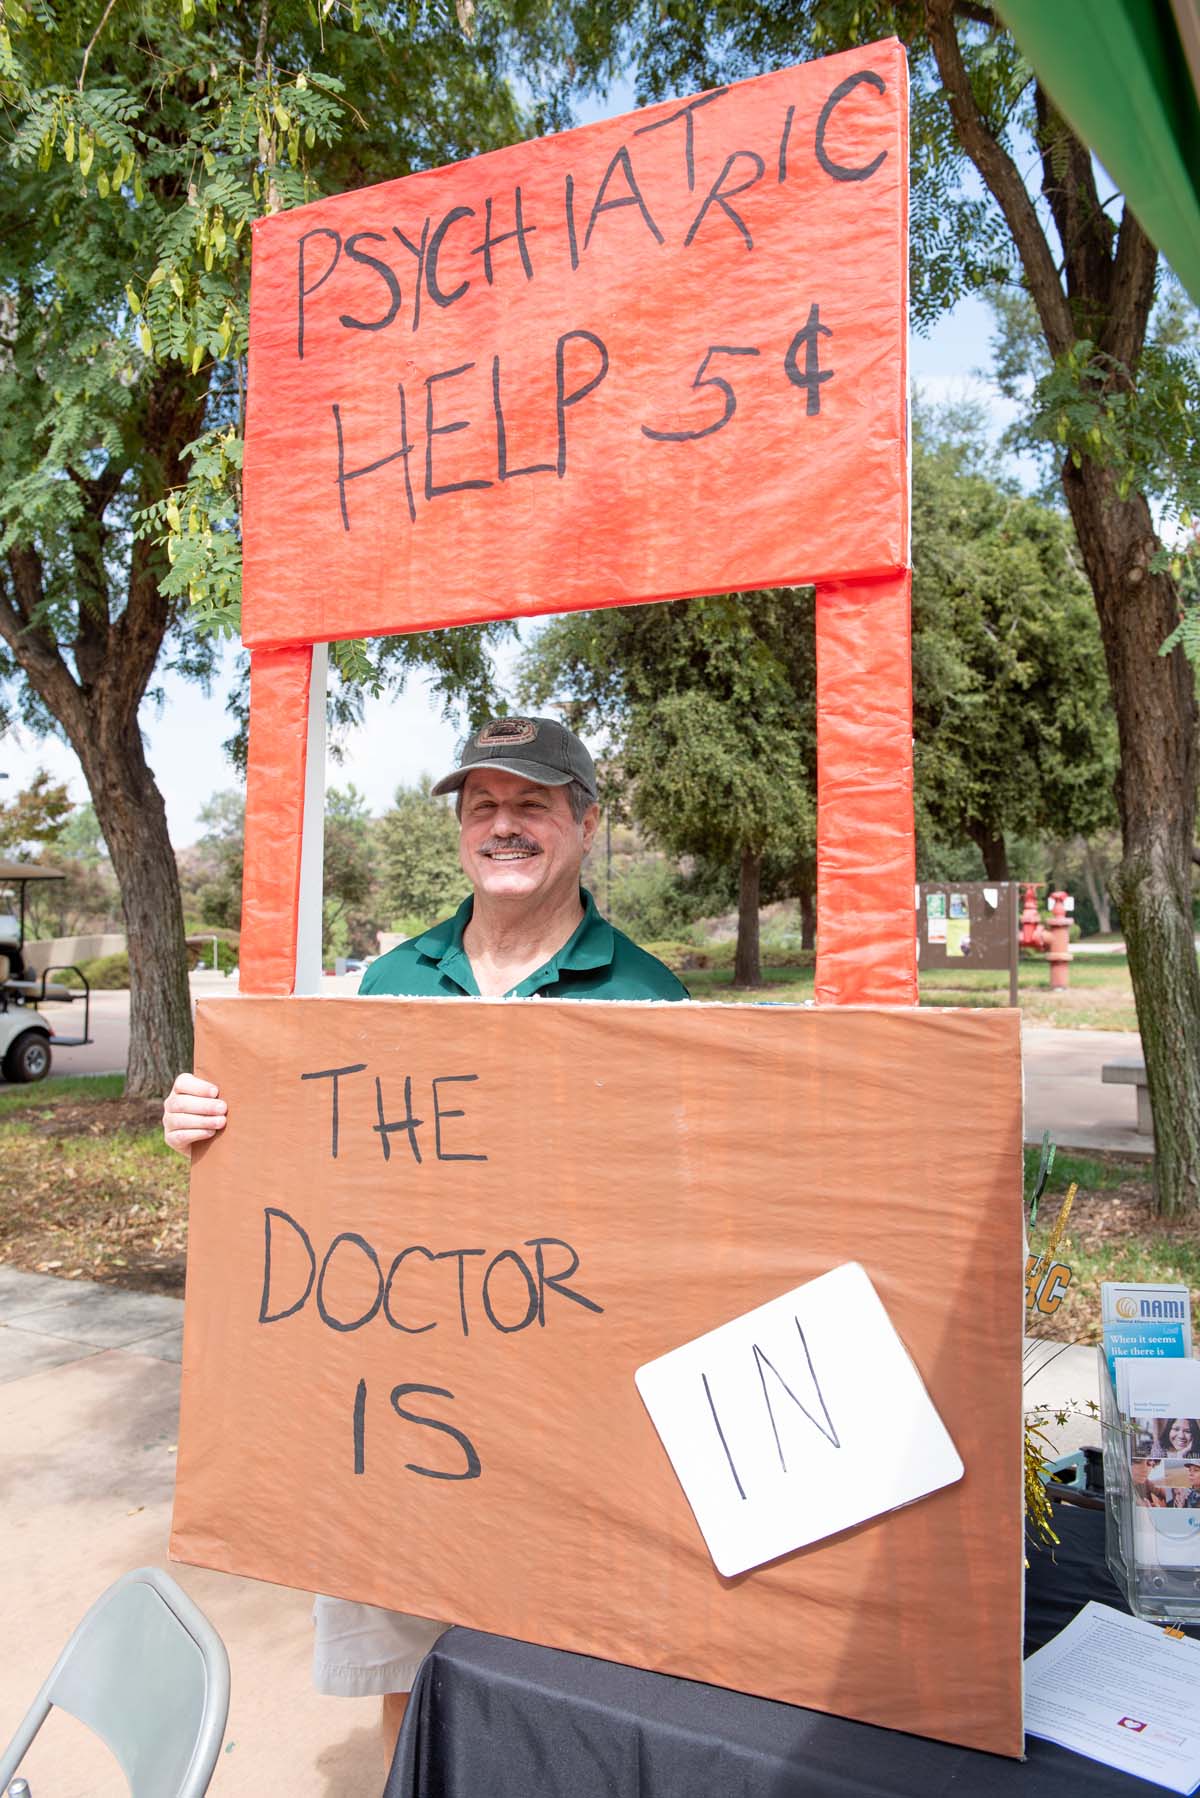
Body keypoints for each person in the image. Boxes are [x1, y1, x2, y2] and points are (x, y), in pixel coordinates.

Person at [162, 715, 689, 1760]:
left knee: (557, 1691)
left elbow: (686, 1213)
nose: (504, 826)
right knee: (409, 1680)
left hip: (561, 1421)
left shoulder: (652, 999)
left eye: (531, 804)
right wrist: (214, 1130)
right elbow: (308, 1161)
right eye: (481, 806)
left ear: (584, 822)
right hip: (397, 1419)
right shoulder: (387, 984)